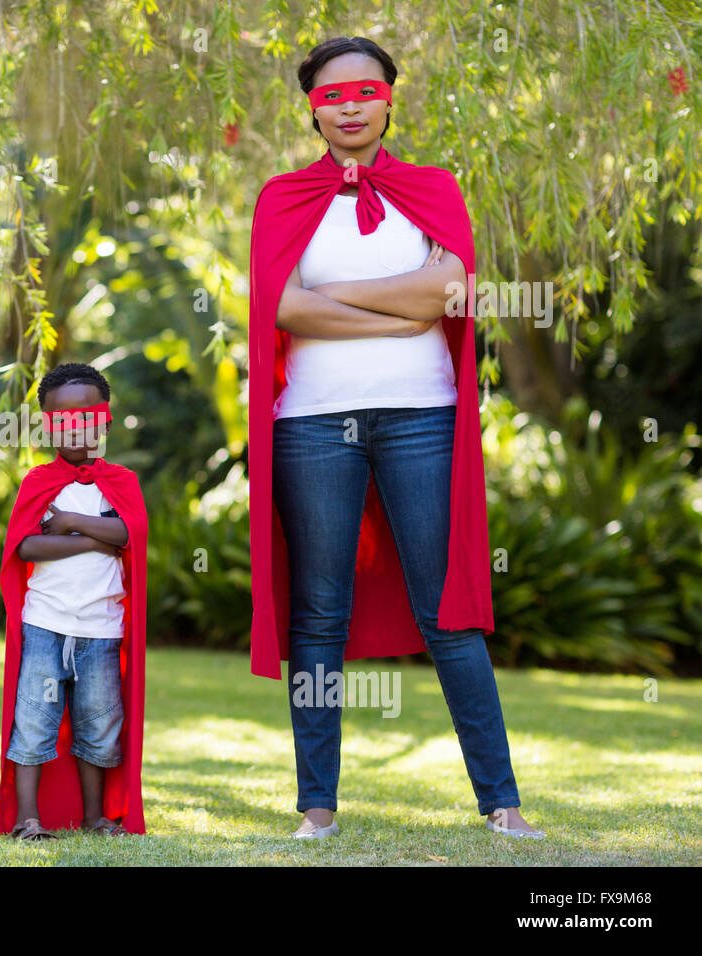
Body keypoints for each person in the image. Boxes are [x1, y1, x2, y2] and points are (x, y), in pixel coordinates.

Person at [246, 35, 544, 840]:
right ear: (311, 107)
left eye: (364, 92)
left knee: (448, 613)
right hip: (312, 424)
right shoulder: (282, 198)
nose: (349, 107)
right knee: (318, 616)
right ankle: (317, 808)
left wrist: (332, 294)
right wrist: (402, 301)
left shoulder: (432, 189)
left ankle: (502, 804)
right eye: (331, 95)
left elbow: (450, 295)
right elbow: (282, 310)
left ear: (388, 100)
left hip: (423, 415)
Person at [0, 363, 149, 839]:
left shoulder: (120, 482)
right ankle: (28, 819)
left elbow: (131, 532)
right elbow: (27, 546)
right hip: (45, 623)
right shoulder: (39, 483)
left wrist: (69, 524)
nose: (77, 427)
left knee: (98, 724)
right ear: (46, 424)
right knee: (35, 720)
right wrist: (94, 539)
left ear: (104, 420)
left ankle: (95, 816)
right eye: (64, 418)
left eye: (88, 416)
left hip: (102, 629)